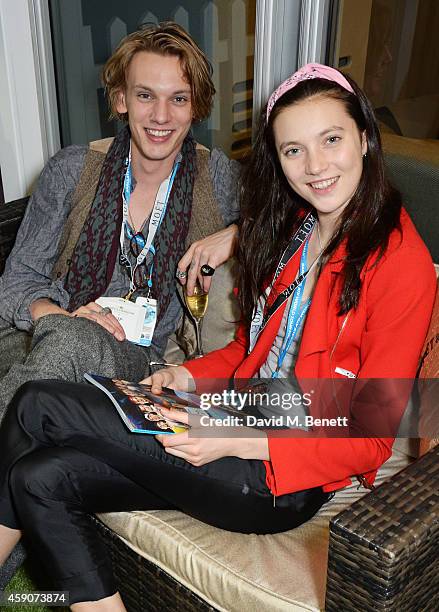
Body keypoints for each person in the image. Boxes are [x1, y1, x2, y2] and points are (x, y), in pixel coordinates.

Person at [0, 63, 436, 610]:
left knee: (37, 403)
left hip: (280, 472)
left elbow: (374, 428)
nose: (316, 165)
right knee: (40, 476)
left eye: (331, 140)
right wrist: (187, 373)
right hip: (239, 411)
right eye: (293, 150)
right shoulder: (299, 231)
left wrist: (235, 438)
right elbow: (252, 353)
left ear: (365, 139)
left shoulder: (400, 261)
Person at [0, 21, 239, 419]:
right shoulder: (72, 168)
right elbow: (16, 281)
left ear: (195, 106)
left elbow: (292, 218)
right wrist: (63, 317)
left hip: (130, 354)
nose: (161, 116)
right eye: (145, 95)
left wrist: (236, 233)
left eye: (178, 99)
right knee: (67, 343)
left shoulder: (216, 178)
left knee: (71, 346)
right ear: (121, 99)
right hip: (32, 333)